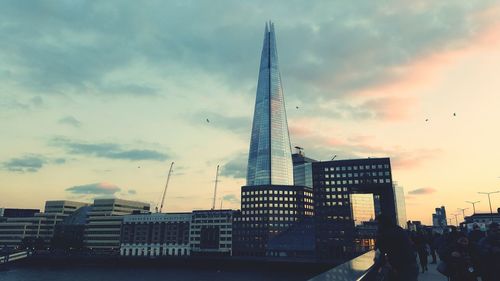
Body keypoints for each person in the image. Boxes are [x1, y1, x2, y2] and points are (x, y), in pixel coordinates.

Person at [375, 214, 419, 281]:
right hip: (411, 267)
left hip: (401, 270)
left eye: (378, 224)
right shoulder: (398, 229)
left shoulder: (385, 234)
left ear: (382, 224)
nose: (377, 226)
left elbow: (379, 249)